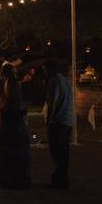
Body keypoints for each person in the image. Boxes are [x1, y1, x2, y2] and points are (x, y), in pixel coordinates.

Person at [0, 63, 30, 189]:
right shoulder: (9, 82)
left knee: (10, 151)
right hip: (13, 119)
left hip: (12, 119)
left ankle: (13, 178)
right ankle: (14, 178)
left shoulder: (10, 82)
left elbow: (12, 99)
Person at [43, 59, 74, 190]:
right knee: (63, 153)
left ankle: (59, 180)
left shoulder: (54, 81)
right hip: (67, 120)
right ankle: (61, 179)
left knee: (57, 153)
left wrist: (49, 120)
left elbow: (52, 103)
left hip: (58, 121)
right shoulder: (66, 81)